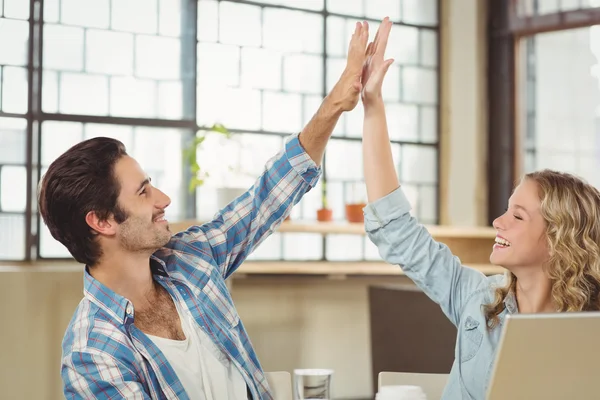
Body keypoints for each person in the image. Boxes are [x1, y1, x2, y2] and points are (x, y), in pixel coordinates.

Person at [39, 21, 374, 400]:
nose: (163, 199)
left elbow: (266, 197)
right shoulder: (93, 352)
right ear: (101, 221)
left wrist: (335, 105)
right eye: (144, 192)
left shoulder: (190, 259)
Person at [360, 17, 600, 400]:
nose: (498, 222)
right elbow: (397, 230)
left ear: (559, 239)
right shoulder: (477, 299)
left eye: (518, 216)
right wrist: (372, 105)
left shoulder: (589, 329)